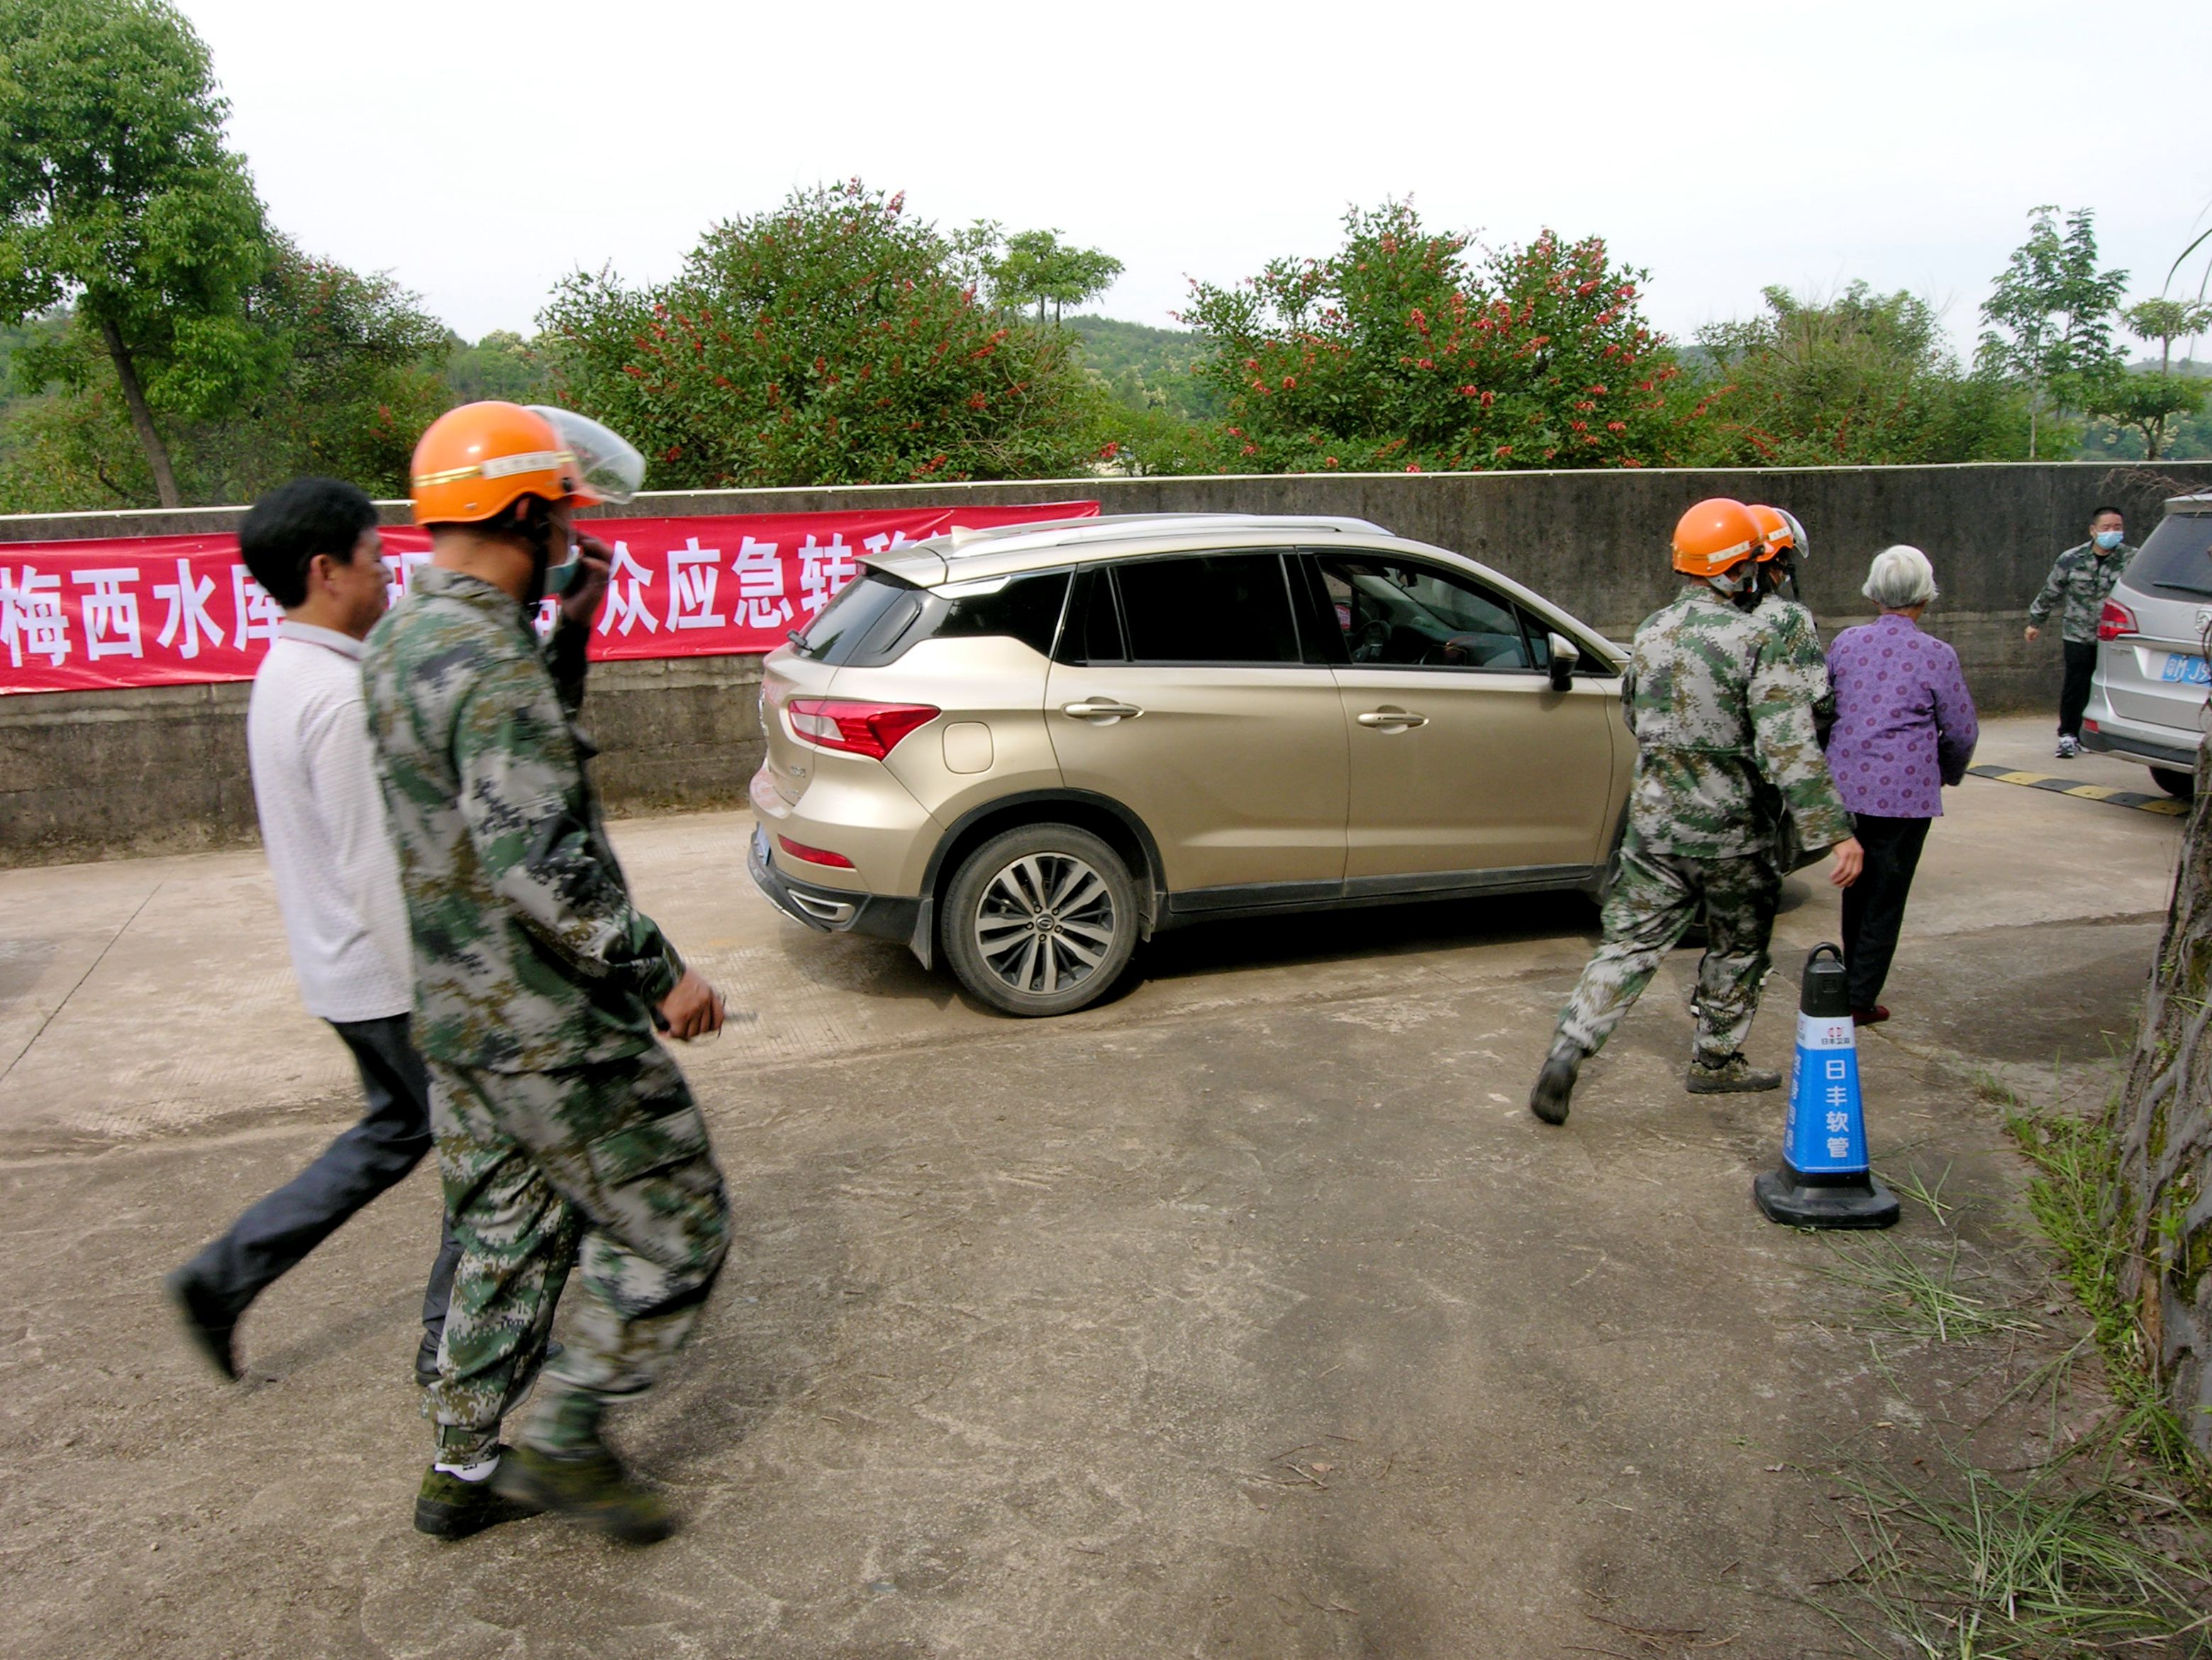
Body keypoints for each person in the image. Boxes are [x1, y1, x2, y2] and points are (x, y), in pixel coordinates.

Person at [362, 401, 730, 1545]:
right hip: (548, 1023)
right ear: (523, 513)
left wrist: (559, 640)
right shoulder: (492, 661)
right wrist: (659, 972)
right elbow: (536, 858)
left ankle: (459, 1466)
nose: (574, 533)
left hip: (461, 1021)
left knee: (508, 1237)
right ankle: (567, 1439)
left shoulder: (400, 643)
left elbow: (493, 785)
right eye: (562, 515)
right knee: (678, 1223)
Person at [165, 477, 460, 1390]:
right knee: (493, 1156)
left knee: (395, 1133)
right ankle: (454, 1346)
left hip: (343, 975)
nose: (390, 576)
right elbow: (378, 869)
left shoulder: (288, 671)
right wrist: (450, 997)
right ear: (326, 571)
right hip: (387, 980)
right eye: (377, 559)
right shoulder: (337, 698)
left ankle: (221, 1280)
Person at [1528, 499, 1864, 1126]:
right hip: (1733, 833)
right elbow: (1788, 744)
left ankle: (1569, 1047)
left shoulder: (1650, 632)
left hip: (1653, 827)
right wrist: (1833, 830)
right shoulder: (1759, 639)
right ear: (1738, 570)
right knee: (1737, 947)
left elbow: (1634, 716)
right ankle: (1715, 1061)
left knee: (1627, 945)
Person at [1824, 546, 1979, 1026]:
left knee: (1857, 886)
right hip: (1903, 794)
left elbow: (1823, 707)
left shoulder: (1846, 643)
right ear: (1924, 597)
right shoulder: (1937, 655)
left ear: (1874, 594)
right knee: (1885, 896)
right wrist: (1946, 773)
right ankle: (1858, 997)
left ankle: (1852, 980)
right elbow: (1960, 731)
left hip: (1846, 786)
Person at [2026, 504, 2135, 759]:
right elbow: (2051, 591)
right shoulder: (2072, 558)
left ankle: (2103, 735)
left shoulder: (2132, 559)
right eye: (2106, 528)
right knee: (2077, 684)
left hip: (2115, 637)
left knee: (2111, 685)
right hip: (2078, 634)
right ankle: (2068, 735)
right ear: (2093, 530)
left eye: (2117, 528)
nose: (2112, 532)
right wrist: (2035, 622)